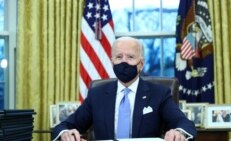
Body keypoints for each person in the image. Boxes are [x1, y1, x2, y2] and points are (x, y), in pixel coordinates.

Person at [52, 37, 197, 141]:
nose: (124, 62)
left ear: (141, 64)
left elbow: (185, 124)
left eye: (130, 57)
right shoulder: (97, 94)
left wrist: (178, 133)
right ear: (112, 62)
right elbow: (65, 126)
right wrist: (66, 134)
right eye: (119, 57)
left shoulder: (159, 94)